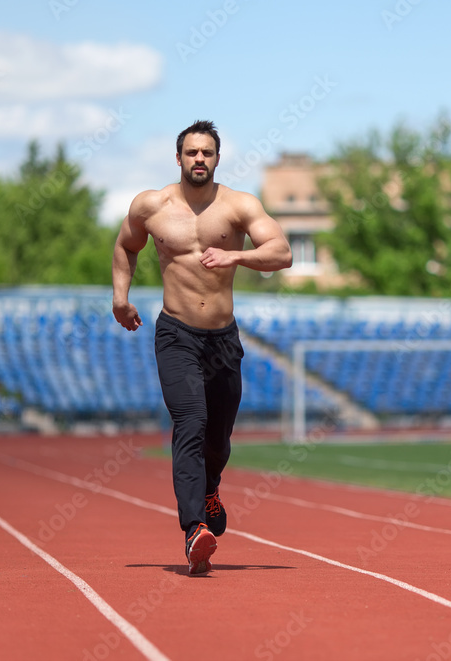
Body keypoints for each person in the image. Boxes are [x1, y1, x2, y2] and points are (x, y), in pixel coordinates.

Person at [111, 120, 292, 574]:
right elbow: (125, 247)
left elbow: (282, 252)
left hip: (223, 339)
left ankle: (211, 488)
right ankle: (194, 529)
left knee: (219, 438)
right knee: (190, 422)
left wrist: (237, 255)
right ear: (178, 158)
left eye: (207, 153)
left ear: (216, 158)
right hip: (176, 334)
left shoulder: (238, 206)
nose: (199, 159)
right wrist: (120, 298)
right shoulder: (151, 206)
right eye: (191, 152)